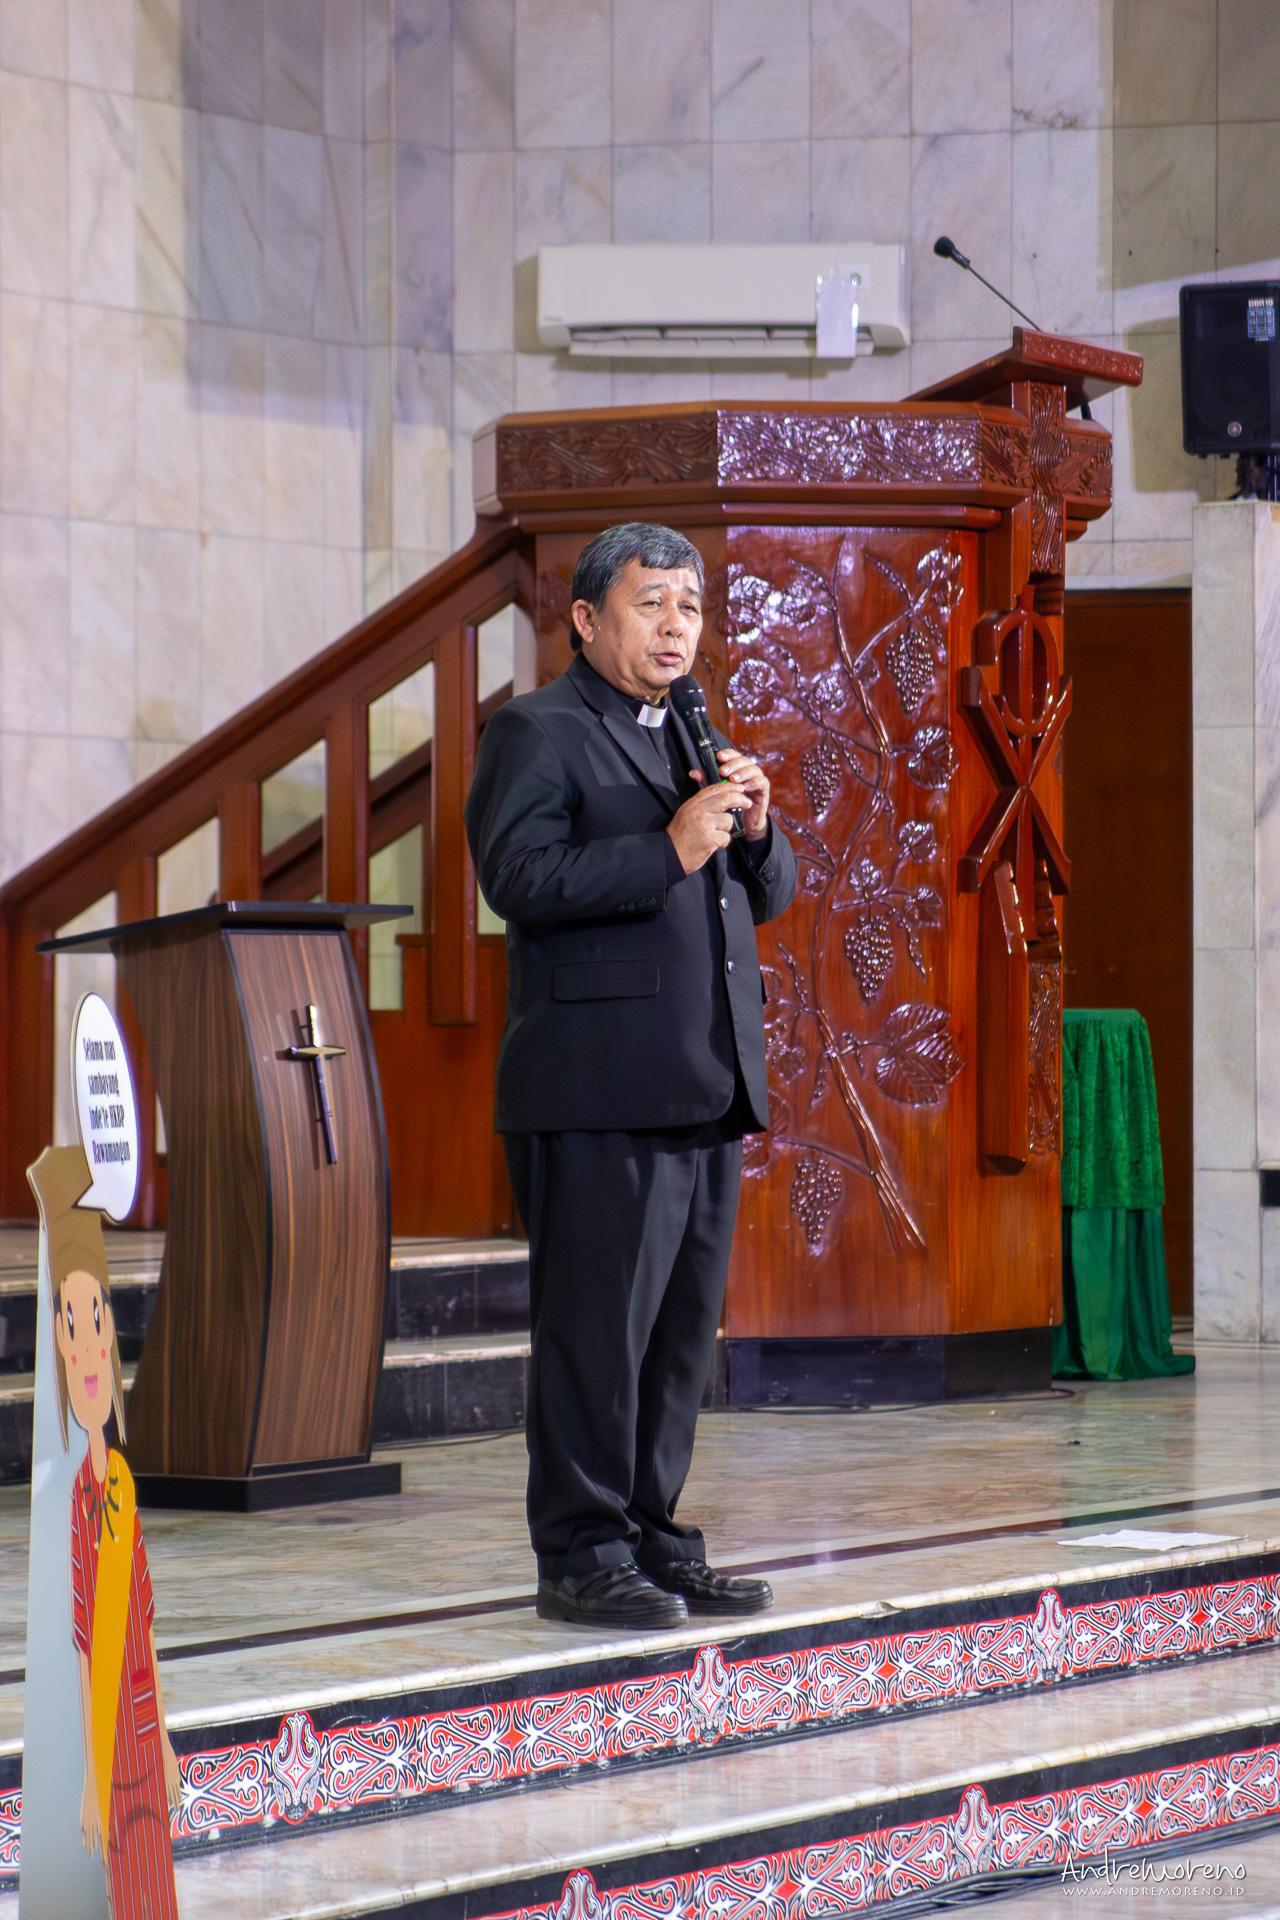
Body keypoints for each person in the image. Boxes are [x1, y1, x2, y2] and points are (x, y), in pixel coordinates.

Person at [465, 521, 797, 1629]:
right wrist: (668, 848)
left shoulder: (694, 736)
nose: (674, 627)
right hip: (595, 1089)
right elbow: (516, 876)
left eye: (689, 607)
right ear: (586, 618)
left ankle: (654, 1537)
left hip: (703, 1082)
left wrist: (755, 829)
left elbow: (767, 893)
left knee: (673, 1342)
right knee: (595, 1338)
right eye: (651, 603)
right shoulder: (537, 731)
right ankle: (582, 1552)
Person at [27, 1145, 181, 1920]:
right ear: (59, 1342)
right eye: (73, 1324)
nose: (89, 1349)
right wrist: (91, 1773)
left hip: (141, 1721)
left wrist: (164, 1741)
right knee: (129, 1880)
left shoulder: (116, 1481)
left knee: (153, 1885)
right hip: (109, 1735)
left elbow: (138, 1619)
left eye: (98, 1321)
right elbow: (88, 1639)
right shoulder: (78, 1496)